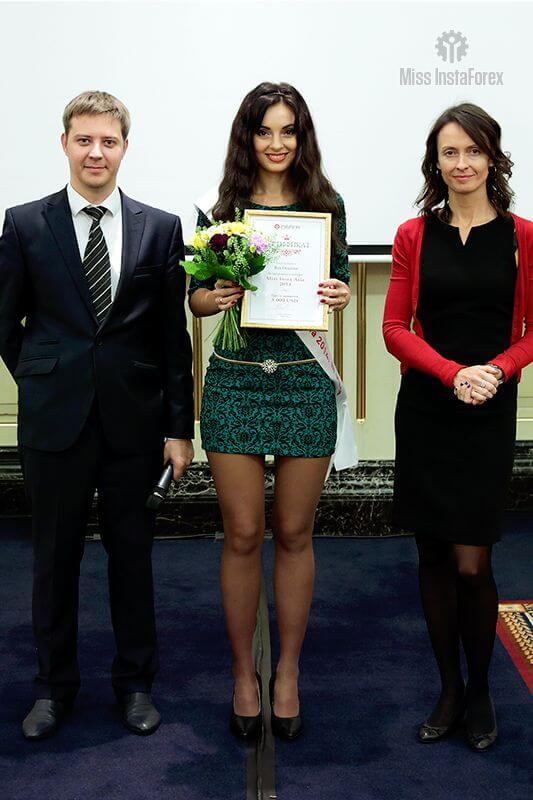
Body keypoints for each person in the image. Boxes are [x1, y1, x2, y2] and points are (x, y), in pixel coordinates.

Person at [0, 90, 194, 740]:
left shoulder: (159, 227)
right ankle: (52, 689)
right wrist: (43, 377)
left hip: (134, 425)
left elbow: (171, 339)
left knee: (131, 559)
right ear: (64, 143)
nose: (95, 152)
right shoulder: (25, 224)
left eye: (108, 141)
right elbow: (6, 323)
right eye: (84, 140)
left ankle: (135, 684)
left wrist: (178, 429)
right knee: (53, 561)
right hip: (55, 424)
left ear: (124, 148)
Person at [189, 82, 351, 741]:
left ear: (301, 137)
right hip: (235, 383)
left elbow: (338, 283)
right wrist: (217, 297)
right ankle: (242, 674)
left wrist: (338, 294)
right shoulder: (222, 210)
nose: (276, 143)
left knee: (293, 533)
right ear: (247, 137)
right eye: (264, 131)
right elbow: (197, 299)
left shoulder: (326, 207)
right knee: (240, 533)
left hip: (303, 383)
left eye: (288, 131)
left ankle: (286, 672)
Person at [383, 103, 533, 751]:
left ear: (492, 158)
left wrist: (496, 370)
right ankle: (448, 688)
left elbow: (531, 331)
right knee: (433, 557)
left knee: (473, 563)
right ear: (435, 162)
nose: (462, 163)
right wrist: (451, 374)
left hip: (488, 409)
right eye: (450, 152)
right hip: (427, 410)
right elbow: (394, 328)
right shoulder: (412, 235)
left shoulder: (524, 236)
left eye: (473, 151)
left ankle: (480, 691)